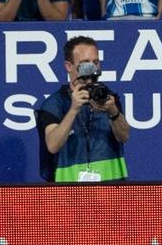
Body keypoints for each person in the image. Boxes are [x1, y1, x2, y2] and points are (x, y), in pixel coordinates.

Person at [34, 36, 129, 182]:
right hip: (69, 191)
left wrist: (113, 112)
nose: (91, 68)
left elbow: (124, 137)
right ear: (68, 66)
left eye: (95, 62)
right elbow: (52, 146)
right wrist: (73, 109)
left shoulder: (108, 97)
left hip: (111, 190)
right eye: (85, 63)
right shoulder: (54, 103)